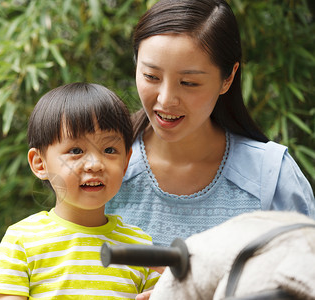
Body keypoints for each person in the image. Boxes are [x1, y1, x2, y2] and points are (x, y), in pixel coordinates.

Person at [105, 0, 315, 248]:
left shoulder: (270, 177)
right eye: (151, 76)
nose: (166, 99)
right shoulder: (103, 167)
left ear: (228, 78)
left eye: (189, 83)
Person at [0, 82, 160, 300]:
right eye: (76, 151)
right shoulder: (22, 240)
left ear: (125, 163)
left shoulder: (139, 246)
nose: (95, 164)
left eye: (109, 150)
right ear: (40, 163)